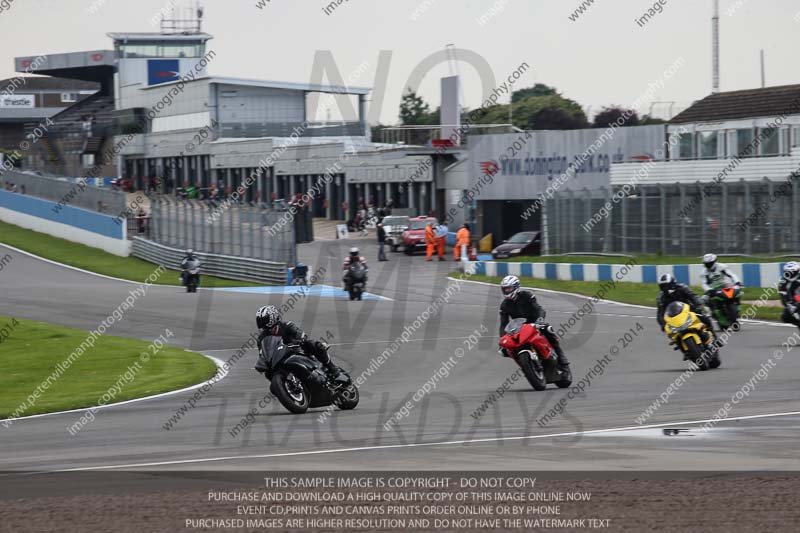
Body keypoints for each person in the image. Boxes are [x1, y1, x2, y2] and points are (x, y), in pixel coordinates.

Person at [498, 275, 570, 371]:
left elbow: (538, 308)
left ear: (516, 287)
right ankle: (525, 367)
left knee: (548, 330)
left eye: (509, 288)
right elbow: (503, 324)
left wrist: (540, 319)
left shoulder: (527, 295)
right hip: (519, 328)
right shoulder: (504, 305)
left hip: (535, 323)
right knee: (507, 349)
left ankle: (562, 359)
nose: (507, 291)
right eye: (505, 289)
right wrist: (502, 338)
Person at [254, 305, 339, 378]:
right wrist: (262, 364)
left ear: (272, 318)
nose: (263, 325)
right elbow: (263, 354)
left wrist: (299, 340)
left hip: (296, 350)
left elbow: (301, 334)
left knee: (312, 344)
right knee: (268, 373)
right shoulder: (262, 338)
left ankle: (332, 368)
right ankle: (285, 387)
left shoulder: (286, 325)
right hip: (280, 359)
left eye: (264, 321)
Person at [779, 261, 800, 327]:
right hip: (794, 302)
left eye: (792, 272)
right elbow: (783, 297)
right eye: (788, 273)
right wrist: (790, 305)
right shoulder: (783, 282)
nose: (790, 274)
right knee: (785, 316)